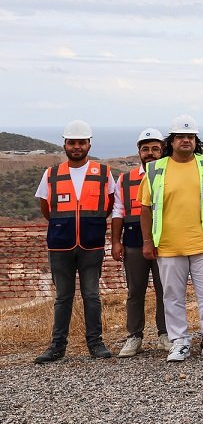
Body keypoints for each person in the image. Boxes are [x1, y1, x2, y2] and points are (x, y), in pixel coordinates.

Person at [139, 115, 203, 361]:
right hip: (168, 245)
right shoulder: (155, 168)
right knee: (172, 296)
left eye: (190, 137)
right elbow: (146, 208)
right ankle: (179, 342)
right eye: (181, 136)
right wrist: (147, 241)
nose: (186, 141)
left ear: (195, 140)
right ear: (172, 140)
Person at [33, 120, 117, 364]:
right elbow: (45, 207)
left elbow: (109, 204)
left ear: (89, 144)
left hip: (92, 243)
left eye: (81, 142)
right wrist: (64, 224)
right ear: (65, 145)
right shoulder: (51, 174)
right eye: (72, 142)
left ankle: (96, 343)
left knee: (92, 295)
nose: (77, 146)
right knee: (63, 297)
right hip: (60, 245)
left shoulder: (103, 173)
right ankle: (57, 346)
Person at [112, 128, 170, 357]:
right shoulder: (125, 179)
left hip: (165, 240)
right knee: (135, 291)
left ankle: (165, 334)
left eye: (155, 149)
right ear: (139, 152)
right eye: (145, 149)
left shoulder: (169, 174)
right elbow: (118, 210)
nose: (150, 153)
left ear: (162, 150)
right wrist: (116, 242)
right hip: (134, 240)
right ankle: (134, 336)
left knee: (165, 290)